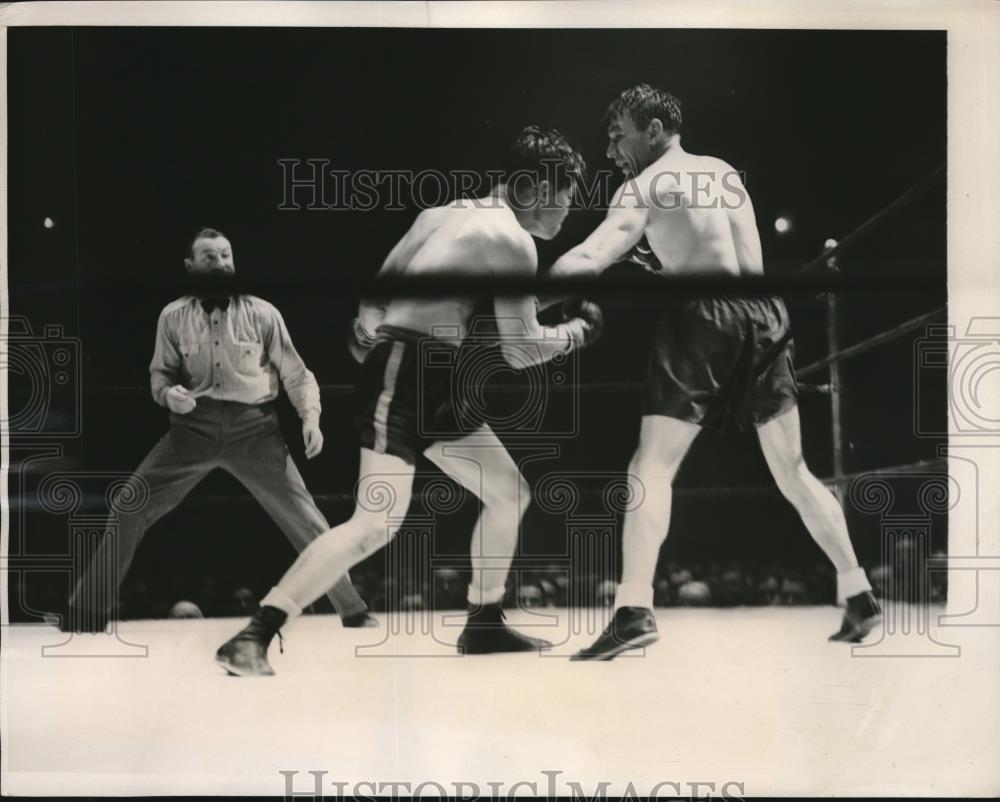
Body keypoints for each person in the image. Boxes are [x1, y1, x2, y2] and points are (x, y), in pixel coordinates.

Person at [215, 126, 603, 676]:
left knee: (509, 491)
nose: (565, 217)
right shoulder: (511, 241)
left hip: (420, 374)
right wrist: (578, 334)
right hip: (410, 373)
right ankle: (255, 634)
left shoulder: (441, 216)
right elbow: (520, 350)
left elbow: (372, 300)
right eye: (565, 201)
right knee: (376, 524)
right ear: (537, 188)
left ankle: (484, 621)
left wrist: (382, 340)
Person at [544, 84, 881, 660]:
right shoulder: (724, 172)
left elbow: (591, 257)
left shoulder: (642, 186)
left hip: (703, 318)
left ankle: (632, 609)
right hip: (765, 315)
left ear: (653, 130)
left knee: (651, 464)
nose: (609, 150)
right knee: (793, 470)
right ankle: (859, 593)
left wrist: (525, 302)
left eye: (617, 134)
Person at [62, 228, 376, 632]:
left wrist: (310, 417)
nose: (221, 263)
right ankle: (86, 612)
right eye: (210, 257)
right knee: (129, 504)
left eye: (226, 255)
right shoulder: (172, 316)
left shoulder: (263, 313)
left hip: (256, 431)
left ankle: (353, 609)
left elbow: (297, 375)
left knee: (307, 520)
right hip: (190, 431)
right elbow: (160, 375)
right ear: (190, 265)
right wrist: (168, 395)